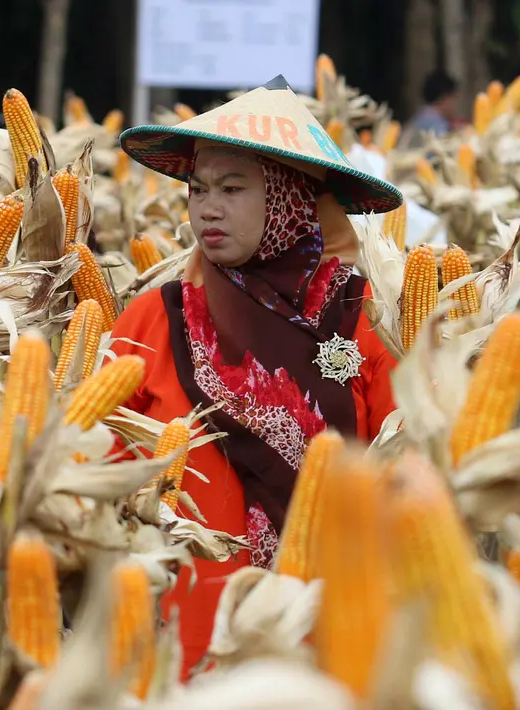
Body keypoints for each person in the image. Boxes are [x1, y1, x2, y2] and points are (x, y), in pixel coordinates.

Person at [115, 75, 403, 674]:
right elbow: (100, 463)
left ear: (290, 198)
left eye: (232, 188)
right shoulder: (157, 316)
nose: (207, 208)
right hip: (183, 637)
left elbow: (401, 465)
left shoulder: (364, 317)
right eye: (197, 189)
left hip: (322, 634)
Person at [408, 70, 464, 137]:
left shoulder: (423, 114)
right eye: (454, 98)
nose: (456, 105)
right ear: (445, 98)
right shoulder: (434, 121)